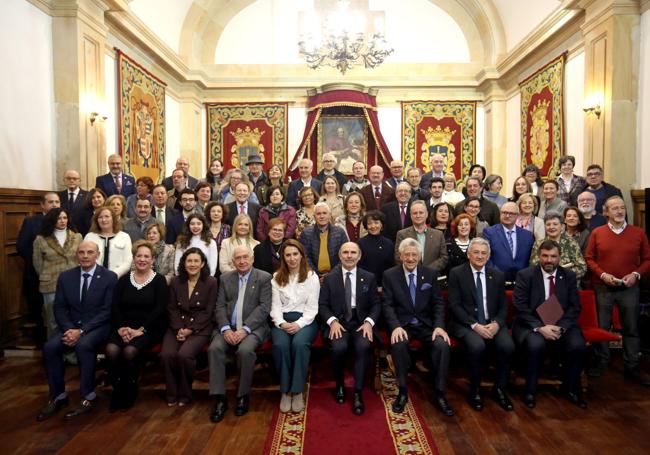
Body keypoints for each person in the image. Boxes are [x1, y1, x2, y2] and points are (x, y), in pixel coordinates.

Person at [36, 241, 117, 421]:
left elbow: (107, 311)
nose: (85, 256)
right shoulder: (66, 277)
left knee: (84, 345)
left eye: (89, 252)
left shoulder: (109, 277)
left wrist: (81, 331)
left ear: (97, 255)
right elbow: (59, 308)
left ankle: (87, 395)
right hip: (71, 327)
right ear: (76, 255)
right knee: (50, 347)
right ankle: (58, 396)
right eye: (81, 252)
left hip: (98, 327)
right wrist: (70, 329)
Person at [382, 238, 453, 416]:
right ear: (401, 256)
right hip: (403, 324)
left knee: (442, 345)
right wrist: (396, 326)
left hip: (426, 324)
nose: (411, 258)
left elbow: (437, 303)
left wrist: (439, 326)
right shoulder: (390, 275)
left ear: (420, 256)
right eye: (407, 255)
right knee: (398, 345)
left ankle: (439, 393)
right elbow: (387, 305)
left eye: (414, 255)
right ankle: (403, 392)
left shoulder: (429, 274)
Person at [513, 240, 587, 409]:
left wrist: (561, 327)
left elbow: (575, 307)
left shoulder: (568, 276)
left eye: (553, 256)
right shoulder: (526, 275)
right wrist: (540, 327)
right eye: (545, 256)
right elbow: (520, 307)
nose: (549, 260)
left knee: (578, 345)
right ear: (539, 256)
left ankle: (570, 389)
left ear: (559, 258)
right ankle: (530, 390)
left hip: (561, 324)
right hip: (531, 323)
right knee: (535, 344)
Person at [585, 196, 650, 384]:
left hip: (629, 287)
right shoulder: (597, 233)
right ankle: (602, 362)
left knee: (631, 328)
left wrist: (636, 275)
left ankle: (632, 366)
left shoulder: (638, 233)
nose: (620, 211)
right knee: (602, 327)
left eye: (622, 208)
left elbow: (647, 259)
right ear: (606, 212)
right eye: (615, 208)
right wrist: (603, 275)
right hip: (603, 286)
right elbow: (589, 258)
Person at [448, 237, 515, 411]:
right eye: (476, 252)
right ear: (468, 254)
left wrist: (497, 324)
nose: (480, 256)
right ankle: (475, 390)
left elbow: (502, 306)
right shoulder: (456, 273)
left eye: (483, 253)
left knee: (507, 346)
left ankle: (499, 389)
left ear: (489, 255)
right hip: (466, 324)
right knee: (477, 346)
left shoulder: (497, 275)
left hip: (492, 323)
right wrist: (475, 325)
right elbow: (455, 305)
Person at [208, 245, 272, 422]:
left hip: (253, 328)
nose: (242, 261)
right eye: (238, 258)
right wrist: (226, 328)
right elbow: (219, 306)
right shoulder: (226, 278)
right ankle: (219, 398)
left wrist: (245, 329)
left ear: (252, 259)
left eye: (245, 257)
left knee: (245, 351)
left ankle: (242, 395)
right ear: (233, 261)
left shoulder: (264, 278)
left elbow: (264, 307)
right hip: (227, 327)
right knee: (215, 349)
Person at [319, 242, 380, 415]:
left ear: (359, 256)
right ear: (340, 256)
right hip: (339, 322)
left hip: (361, 322)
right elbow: (322, 305)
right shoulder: (330, 278)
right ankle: (339, 385)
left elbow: (376, 304)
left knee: (363, 347)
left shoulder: (368, 277)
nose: (349, 256)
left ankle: (358, 392)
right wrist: (332, 321)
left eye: (353, 252)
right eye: (345, 252)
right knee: (339, 347)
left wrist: (369, 322)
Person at [106, 240, 168, 411]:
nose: (142, 259)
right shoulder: (124, 280)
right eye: (139, 256)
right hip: (124, 326)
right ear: (133, 258)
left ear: (152, 259)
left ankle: (131, 388)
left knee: (129, 351)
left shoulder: (159, 280)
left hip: (148, 328)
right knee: (112, 350)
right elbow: (115, 306)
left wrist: (140, 330)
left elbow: (159, 309)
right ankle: (118, 389)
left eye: (146, 256)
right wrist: (121, 327)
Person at [162, 248, 218, 406]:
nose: (192, 264)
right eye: (189, 261)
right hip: (177, 326)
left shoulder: (211, 282)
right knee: (166, 355)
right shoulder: (176, 281)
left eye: (196, 261)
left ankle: (185, 393)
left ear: (202, 264)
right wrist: (179, 328)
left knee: (184, 355)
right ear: (184, 263)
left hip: (199, 327)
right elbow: (171, 308)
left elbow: (209, 311)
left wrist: (190, 330)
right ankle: (172, 393)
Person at [271, 239, 320, 413]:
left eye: (295, 254)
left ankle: (297, 390)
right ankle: (285, 391)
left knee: (299, 344)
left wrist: (298, 324)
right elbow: (275, 308)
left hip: (305, 320)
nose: (292, 258)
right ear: (283, 258)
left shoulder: (311, 277)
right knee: (280, 345)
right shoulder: (276, 277)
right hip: (282, 321)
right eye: (288, 255)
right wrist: (282, 323)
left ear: (301, 255)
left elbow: (312, 308)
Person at [33, 208, 83, 339]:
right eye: (59, 218)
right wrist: (48, 275)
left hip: (73, 283)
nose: (62, 221)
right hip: (50, 284)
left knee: (73, 317)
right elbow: (38, 264)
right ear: (52, 220)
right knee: (52, 320)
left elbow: (81, 259)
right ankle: (54, 352)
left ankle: (71, 354)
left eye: (65, 218)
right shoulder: (41, 239)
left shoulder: (77, 237)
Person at [17, 192, 60, 325]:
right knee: (39, 313)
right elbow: (22, 247)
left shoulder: (65, 220)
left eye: (57, 202)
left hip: (60, 274)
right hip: (37, 275)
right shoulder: (31, 222)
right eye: (51, 202)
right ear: (42, 205)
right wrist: (40, 265)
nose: (54, 205)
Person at [482, 202, 535, 283]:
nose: (507, 216)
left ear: (517, 215)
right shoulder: (489, 232)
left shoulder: (527, 235)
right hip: (496, 280)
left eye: (511, 213)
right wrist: (497, 275)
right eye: (504, 212)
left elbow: (530, 260)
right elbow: (485, 257)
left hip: (522, 281)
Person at [529, 212, 587, 281]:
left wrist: (561, 275)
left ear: (562, 226)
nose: (551, 227)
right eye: (548, 224)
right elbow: (533, 266)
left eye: (555, 224)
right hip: (545, 283)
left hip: (567, 284)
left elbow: (582, 268)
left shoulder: (572, 243)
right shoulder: (539, 244)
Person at [394, 200, 448, 273]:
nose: (418, 215)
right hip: (410, 276)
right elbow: (398, 257)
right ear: (411, 216)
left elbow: (444, 257)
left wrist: (427, 270)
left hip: (432, 276)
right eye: (415, 213)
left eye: (421, 213)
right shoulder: (402, 234)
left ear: (426, 214)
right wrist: (415, 270)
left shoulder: (438, 234)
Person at [299, 202, 349, 277]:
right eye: (318, 214)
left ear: (329, 215)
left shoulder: (340, 232)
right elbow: (305, 257)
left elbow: (344, 255)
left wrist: (331, 275)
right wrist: (316, 275)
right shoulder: (306, 233)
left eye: (324, 213)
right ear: (314, 216)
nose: (322, 216)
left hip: (337, 275)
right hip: (313, 276)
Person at [84, 207, 132, 278]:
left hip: (118, 279)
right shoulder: (90, 237)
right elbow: (84, 258)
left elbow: (128, 262)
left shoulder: (124, 237)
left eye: (107, 216)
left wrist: (113, 275)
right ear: (96, 220)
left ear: (113, 219)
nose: (104, 220)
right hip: (94, 279)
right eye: (100, 217)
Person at [358, 211, 395, 290]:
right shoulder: (360, 243)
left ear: (381, 225)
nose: (373, 226)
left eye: (376, 222)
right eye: (369, 223)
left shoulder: (389, 243)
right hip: (366, 285)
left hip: (385, 285)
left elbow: (391, 266)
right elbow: (360, 267)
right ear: (366, 226)